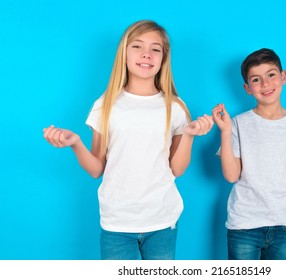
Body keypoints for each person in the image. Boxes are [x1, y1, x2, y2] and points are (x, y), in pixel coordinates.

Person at [43, 20, 214, 260]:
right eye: (137, 46)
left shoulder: (175, 107)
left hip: (162, 220)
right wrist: (75, 143)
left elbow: (177, 169)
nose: (147, 54)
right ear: (124, 53)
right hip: (117, 223)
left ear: (163, 58)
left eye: (156, 49)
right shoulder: (105, 105)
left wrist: (188, 135)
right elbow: (96, 169)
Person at [212, 48, 286, 260]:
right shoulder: (237, 124)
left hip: (284, 225)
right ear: (247, 88)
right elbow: (232, 175)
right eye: (256, 79)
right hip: (244, 224)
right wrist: (224, 130)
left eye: (271, 75)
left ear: (283, 76)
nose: (266, 84)